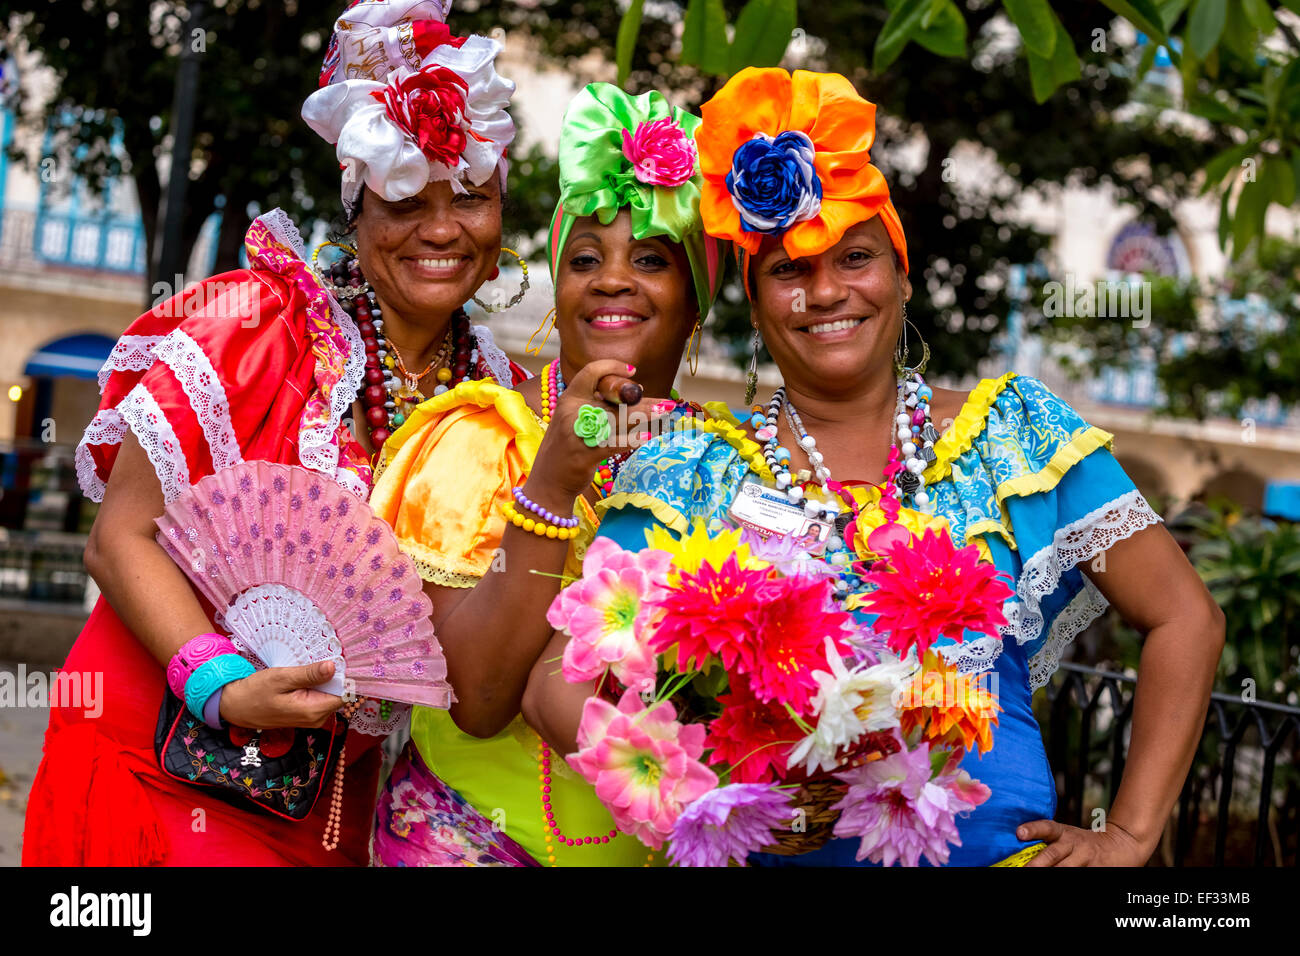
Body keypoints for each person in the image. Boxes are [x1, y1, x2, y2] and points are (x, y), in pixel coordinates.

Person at [523, 67, 1226, 867]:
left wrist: (1131, 833)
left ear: (901, 275)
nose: (826, 292)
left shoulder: (1014, 435)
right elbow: (555, 684)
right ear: (756, 307)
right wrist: (689, 792)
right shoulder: (692, 467)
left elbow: (1186, 619)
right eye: (788, 269)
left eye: (853, 258)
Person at [22, 0, 519, 866]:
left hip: (327, 801)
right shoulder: (256, 327)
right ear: (356, 211)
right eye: (404, 198)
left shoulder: (498, 400)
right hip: (159, 758)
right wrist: (222, 682)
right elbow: (117, 537)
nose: (441, 229)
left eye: (470, 199)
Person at [367, 82, 725, 866]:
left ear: (696, 298)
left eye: (653, 260)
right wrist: (553, 482)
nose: (612, 280)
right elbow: (481, 701)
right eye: (586, 258)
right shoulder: (480, 437)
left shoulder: (725, 466)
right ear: (559, 288)